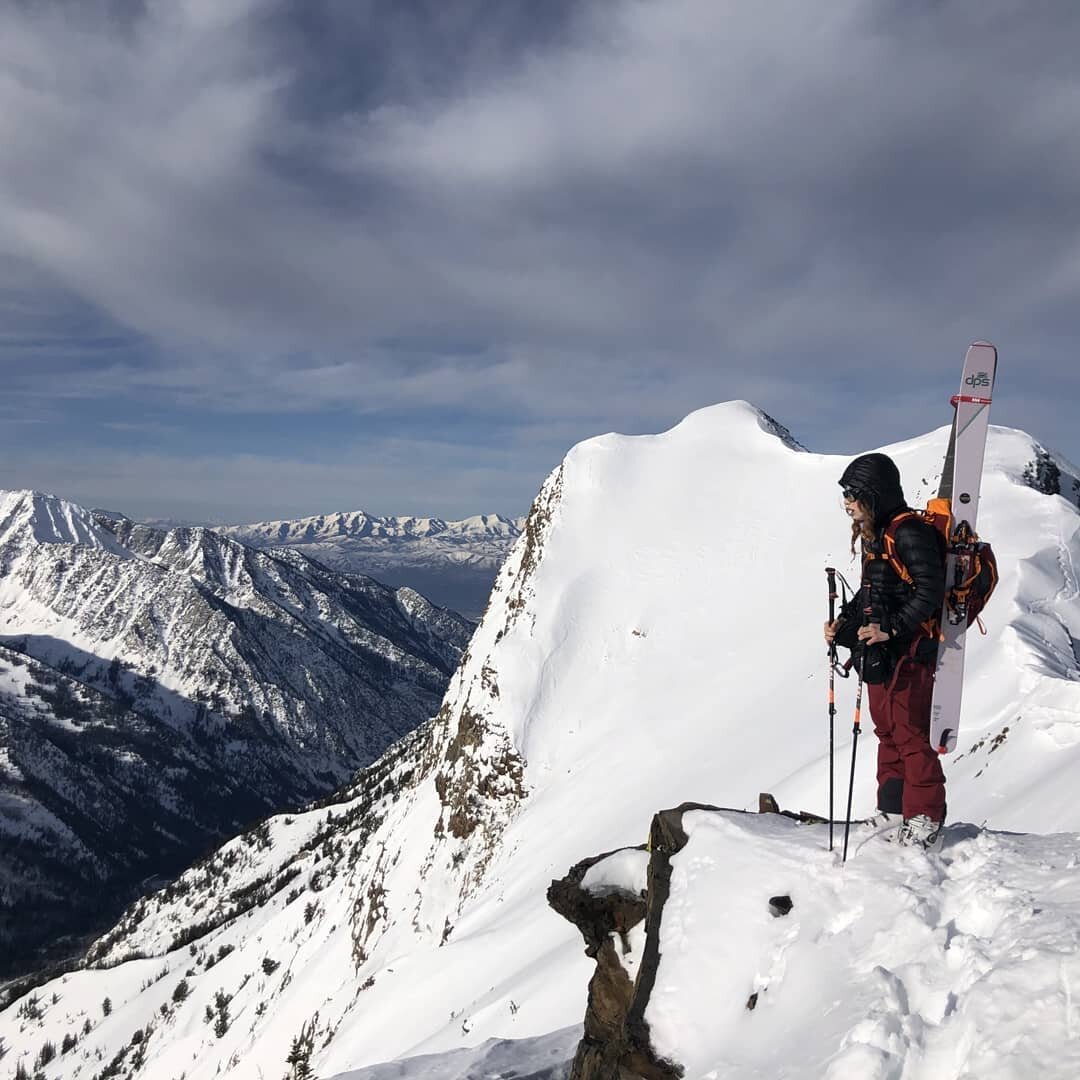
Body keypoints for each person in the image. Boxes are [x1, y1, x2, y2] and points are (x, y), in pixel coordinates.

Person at [824, 452, 947, 848]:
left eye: (854, 495)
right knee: (887, 729)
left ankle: (925, 817)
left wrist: (890, 628)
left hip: (909, 649)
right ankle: (893, 810)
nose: (848, 504)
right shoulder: (878, 533)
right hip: (881, 650)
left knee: (911, 734)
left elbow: (928, 592)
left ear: (874, 494)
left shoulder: (908, 532)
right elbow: (871, 591)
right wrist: (842, 625)